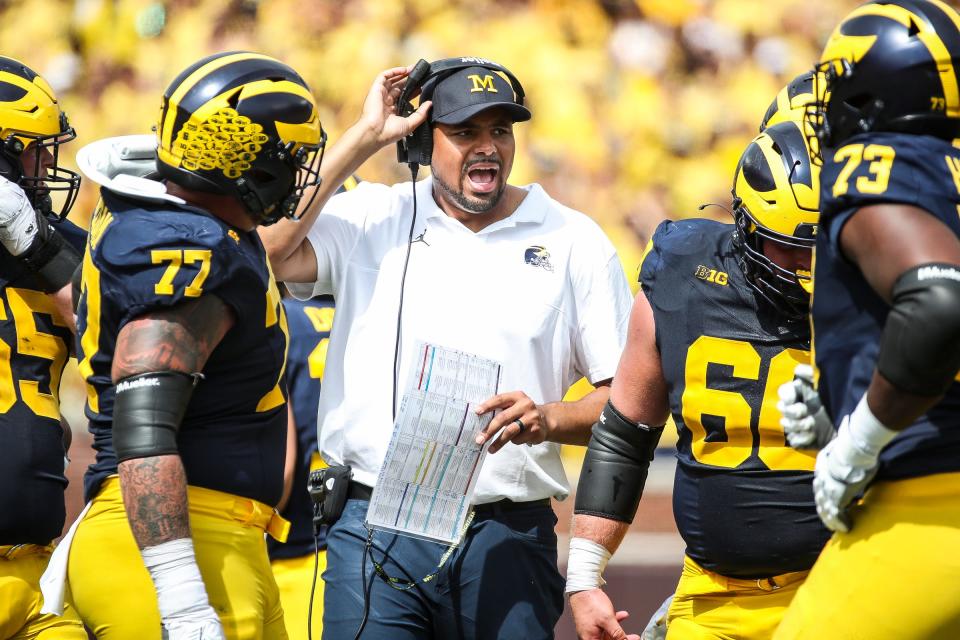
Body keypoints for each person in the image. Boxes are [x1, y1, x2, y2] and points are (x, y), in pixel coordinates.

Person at [260, 59, 632, 639]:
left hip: (504, 530)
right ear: (420, 143)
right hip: (372, 520)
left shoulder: (574, 240)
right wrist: (364, 137)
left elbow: (629, 402)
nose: (487, 148)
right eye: (464, 133)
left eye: (500, 131)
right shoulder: (371, 216)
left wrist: (548, 417)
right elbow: (268, 250)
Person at [61, 51, 325, 640]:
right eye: (289, 160)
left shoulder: (191, 224)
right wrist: (180, 595)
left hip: (223, 540)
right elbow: (144, 425)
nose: (297, 174)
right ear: (249, 167)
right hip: (177, 548)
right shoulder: (190, 248)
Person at [566, 118, 829, 640]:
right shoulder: (683, 275)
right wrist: (583, 576)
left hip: (837, 584)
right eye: (790, 248)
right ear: (747, 227)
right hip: (714, 597)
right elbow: (625, 433)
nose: (808, 266)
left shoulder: (878, 287)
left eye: (821, 245)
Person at [774, 1, 960, 638]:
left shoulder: (877, 161)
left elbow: (938, 305)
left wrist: (859, 440)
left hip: (930, 502)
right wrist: (845, 400)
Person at [0, 56, 87, 640]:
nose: (48, 166)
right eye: (34, 149)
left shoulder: (61, 247)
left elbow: (119, 332)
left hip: (33, 573)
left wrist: (35, 247)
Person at [269, 292, 336, 640]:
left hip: (292, 558)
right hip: (359, 548)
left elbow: (278, 473)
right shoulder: (365, 310)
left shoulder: (277, 318)